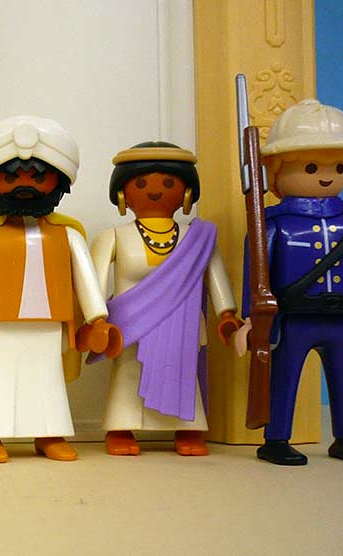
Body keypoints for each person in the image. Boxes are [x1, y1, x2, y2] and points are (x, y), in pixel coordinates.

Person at [0, 115, 122, 463]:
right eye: (10, 177)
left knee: (48, 379)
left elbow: (85, 280)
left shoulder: (67, 235)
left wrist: (97, 319)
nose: (25, 185)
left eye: (39, 177)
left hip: (51, 324)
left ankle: (49, 434)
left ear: (59, 182)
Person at [238, 99, 343, 465]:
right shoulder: (273, 227)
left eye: (339, 166)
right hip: (293, 319)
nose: (326, 175)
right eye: (311, 167)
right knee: (284, 377)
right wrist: (250, 319)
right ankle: (277, 438)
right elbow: (256, 276)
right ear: (276, 172)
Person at [89, 141, 241, 456]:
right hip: (130, 323)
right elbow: (93, 282)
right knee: (128, 374)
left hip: (182, 323)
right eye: (141, 184)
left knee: (181, 372)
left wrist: (227, 314)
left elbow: (215, 278)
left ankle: (187, 428)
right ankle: (120, 428)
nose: (155, 191)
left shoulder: (197, 238)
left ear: (187, 193)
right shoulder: (114, 236)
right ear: (122, 193)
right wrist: (95, 319)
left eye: (169, 183)